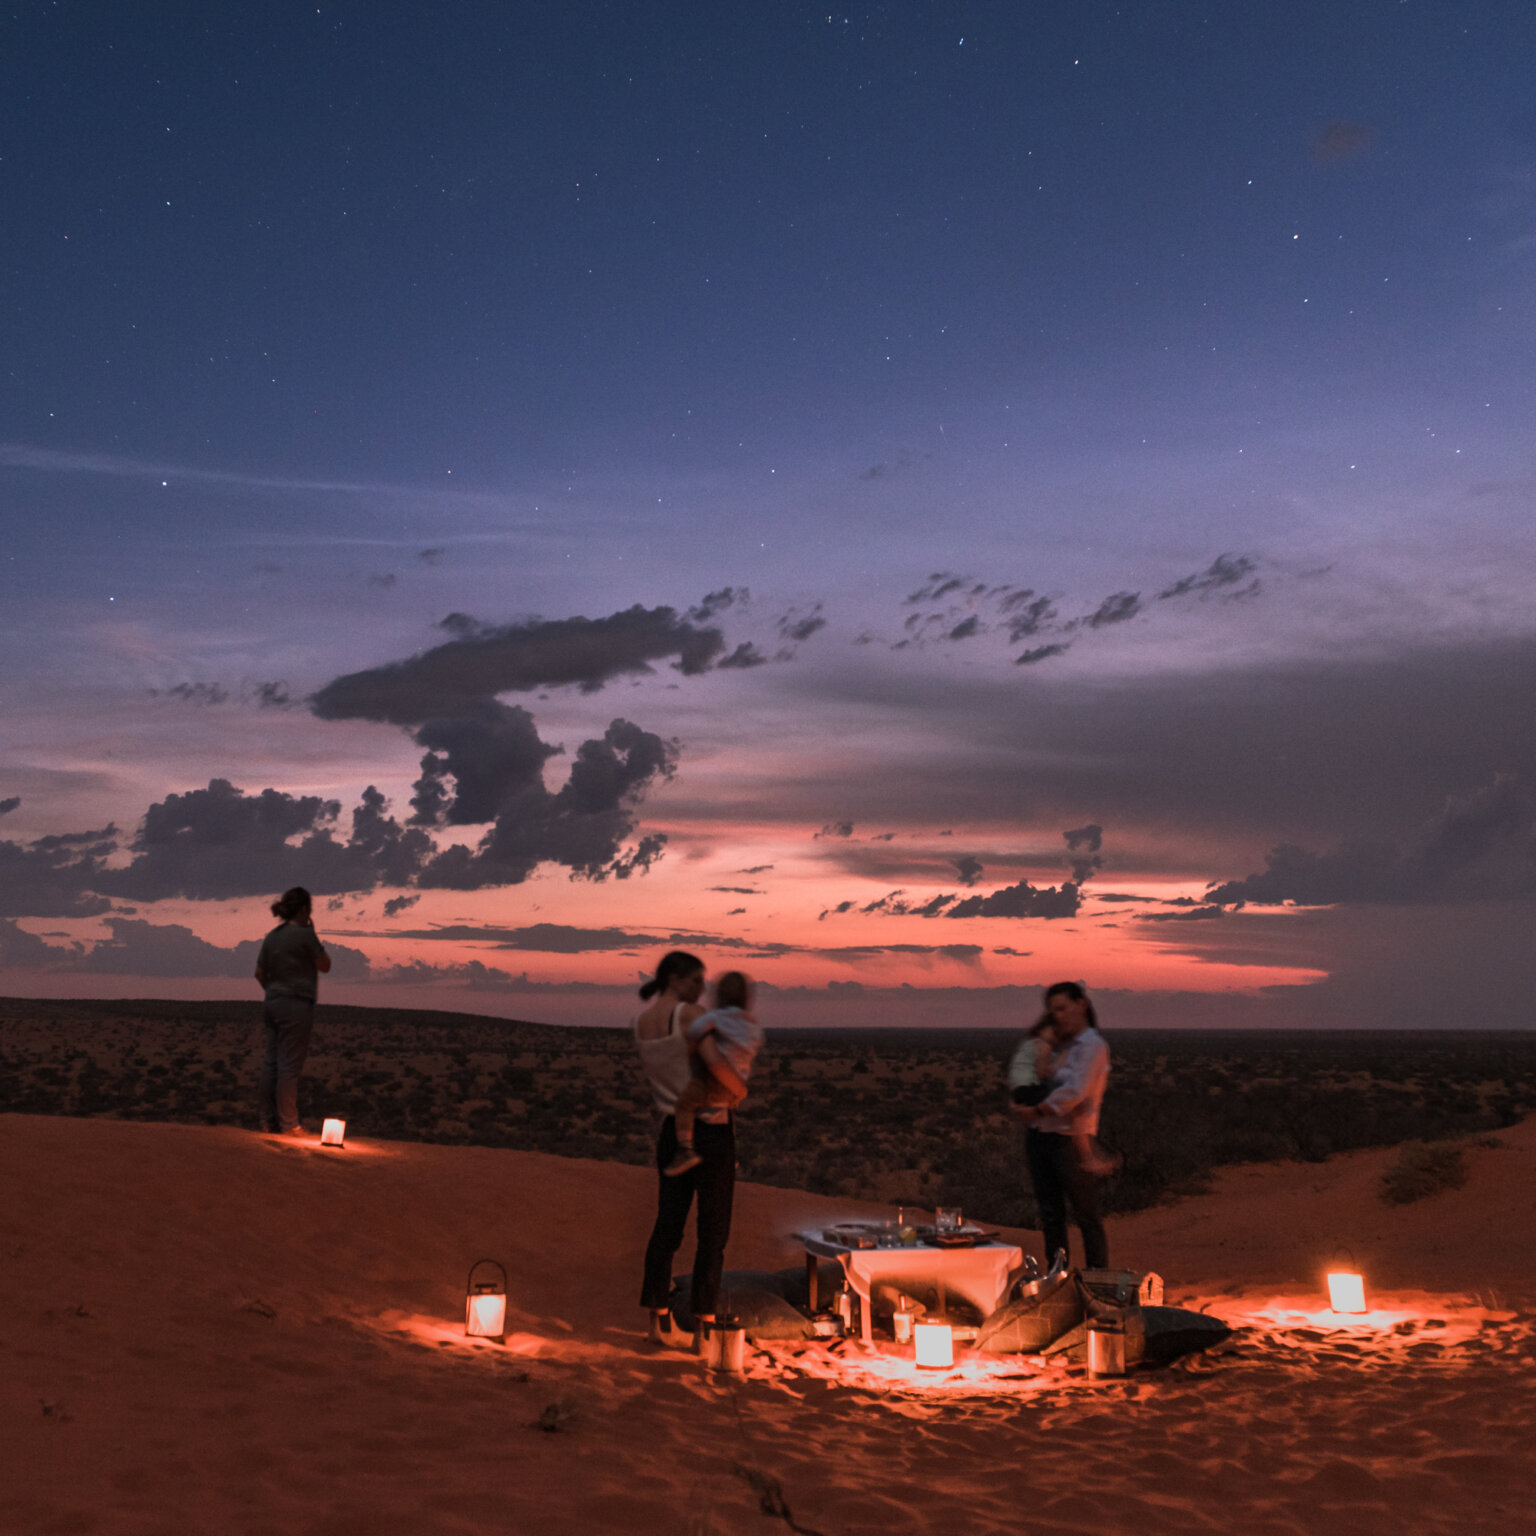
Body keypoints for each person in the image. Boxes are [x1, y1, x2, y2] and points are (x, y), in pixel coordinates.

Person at [633, 951, 746, 1347]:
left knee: (667, 1226)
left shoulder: (642, 1023)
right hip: (711, 1130)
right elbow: (715, 1062)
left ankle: (657, 1322)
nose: (702, 989)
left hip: (671, 1130)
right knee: (712, 1234)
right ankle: (702, 1329)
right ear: (677, 979)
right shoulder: (689, 1015)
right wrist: (739, 1088)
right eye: (697, 980)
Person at [1012, 981, 1112, 1269]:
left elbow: (1076, 1092)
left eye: (1062, 1007)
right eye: (1052, 1010)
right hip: (1042, 1135)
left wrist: (1038, 1109)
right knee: (1051, 1214)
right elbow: (1040, 1079)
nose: (1057, 1014)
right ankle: (1057, 1276)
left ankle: (1098, 1278)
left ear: (1081, 1004)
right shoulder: (1060, 1044)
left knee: (1086, 1215)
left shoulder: (1092, 1046)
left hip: (1070, 1138)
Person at [663, 971, 762, 1177]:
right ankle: (730, 1156)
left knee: (684, 1104)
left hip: (713, 1082)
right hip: (736, 1084)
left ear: (719, 995)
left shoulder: (713, 1019)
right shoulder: (751, 1025)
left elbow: (695, 1035)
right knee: (727, 1113)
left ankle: (685, 1149)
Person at [254, 885, 331, 1136]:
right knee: (289, 1065)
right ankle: (289, 1124)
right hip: (296, 1003)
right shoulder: (305, 935)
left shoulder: (272, 936)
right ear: (304, 909)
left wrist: (274, 990)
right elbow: (325, 965)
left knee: (271, 1062)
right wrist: (312, 932)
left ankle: (267, 1121)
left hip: (272, 1001)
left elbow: (259, 973)